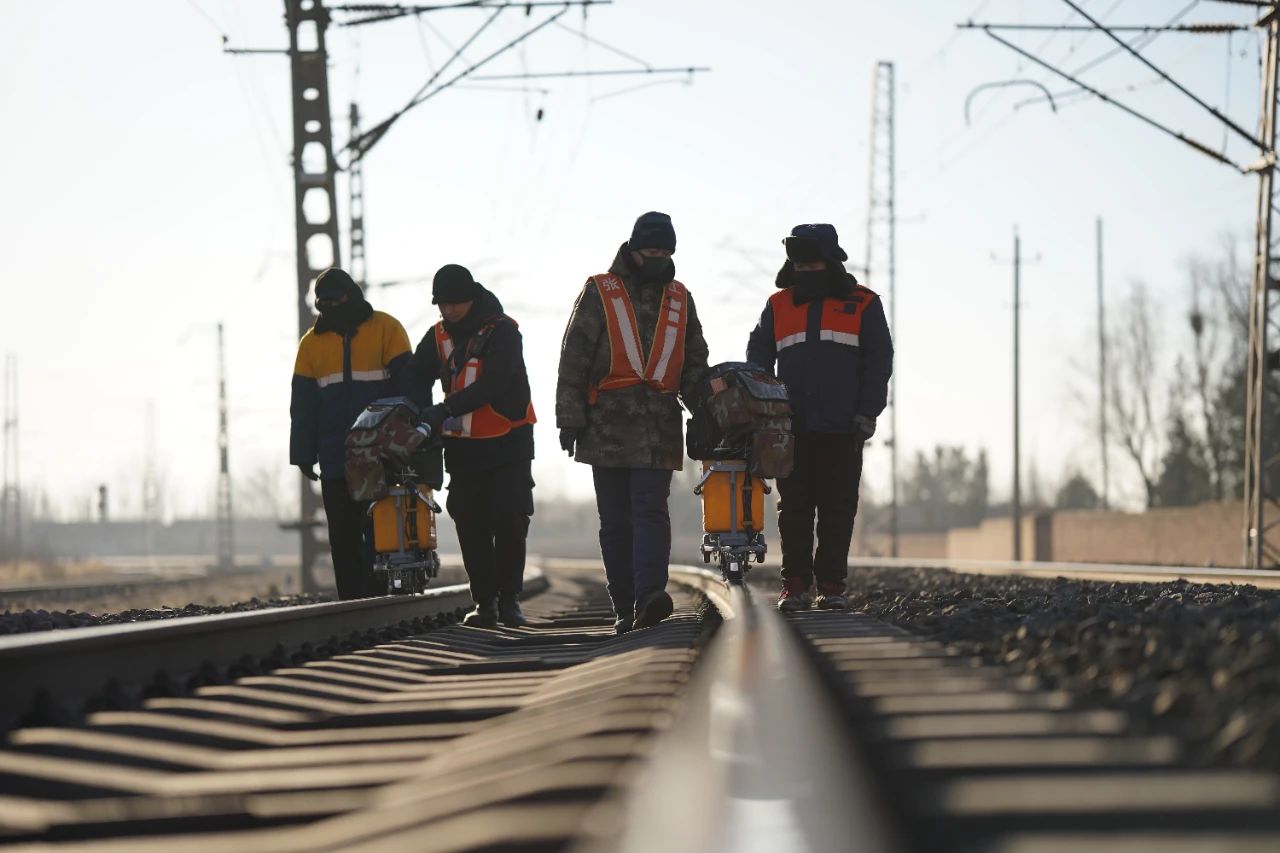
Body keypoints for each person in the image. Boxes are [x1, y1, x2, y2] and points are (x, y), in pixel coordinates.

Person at [556, 212, 710, 634]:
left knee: (650, 510)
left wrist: (708, 412)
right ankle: (624, 606)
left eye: (665, 252)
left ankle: (649, 596)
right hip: (605, 427)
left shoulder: (680, 298)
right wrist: (569, 418)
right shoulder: (600, 291)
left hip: (659, 427)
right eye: (651, 251)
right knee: (616, 521)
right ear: (634, 249)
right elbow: (574, 357)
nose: (658, 258)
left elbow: (695, 361)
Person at [746, 224, 893, 611]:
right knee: (793, 509)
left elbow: (879, 362)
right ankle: (795, 586)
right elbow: (757, 358)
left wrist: (867, 413)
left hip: (844, 427)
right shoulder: (778, 306)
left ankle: (831, 587)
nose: (807, 272)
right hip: (790, 428)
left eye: (813, 265)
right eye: (801, 266)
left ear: (831, 263)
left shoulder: (864, 304)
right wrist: (766, 408)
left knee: (838, 509)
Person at [405, 264, 536, 628]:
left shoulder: (503, 332)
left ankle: (509, 601)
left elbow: (494, 383)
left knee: (509, 519)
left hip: (508, 443)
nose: (448, 311)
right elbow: (415, 376)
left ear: (472, 298)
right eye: (442, 305)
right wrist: (412, 410)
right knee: (470, 522)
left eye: (455, 303)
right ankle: (485, 603)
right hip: (464, 448)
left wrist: (443, 409)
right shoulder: (437, 337)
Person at [290, 267, 413, 600]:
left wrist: (414, 439)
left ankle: (376, 601)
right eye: (323, 303)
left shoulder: (386, 329)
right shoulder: (311, 345)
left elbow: (411, 389)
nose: (330, 308)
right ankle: (352, 606)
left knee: (379, 536)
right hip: (335, 458)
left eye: (336, 301)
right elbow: (303, 406)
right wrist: (302, 453)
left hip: (381, 455)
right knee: (343, 539)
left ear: (351, 296)